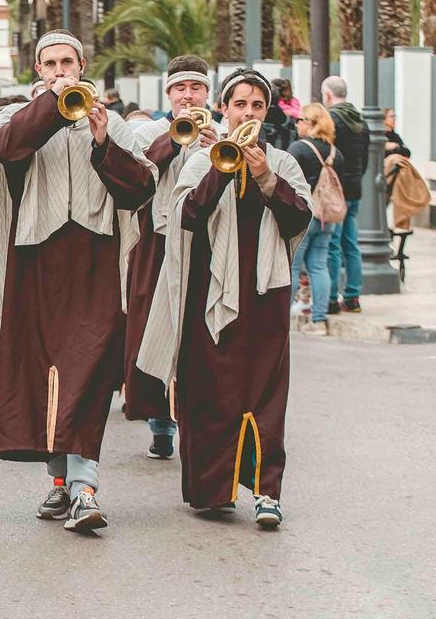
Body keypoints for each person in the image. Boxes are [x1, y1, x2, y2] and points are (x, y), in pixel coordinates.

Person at [0, 30, 155, 533]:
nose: (59, 71)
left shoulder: (110, 119)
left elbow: (141, 187)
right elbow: (5, 149)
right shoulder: (18, 115)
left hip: (95, 261)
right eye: (49, 64)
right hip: (37, 262)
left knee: (88, 373)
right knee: (42, 374)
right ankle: (59, 481)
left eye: (67, 63)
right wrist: (52, 104)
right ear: (38, 70)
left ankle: (85, 488)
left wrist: (103, 141)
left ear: (82, 64)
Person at [138, 69, 312, 528]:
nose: (247, 113)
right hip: (208, 291)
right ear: (224, 108)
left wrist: (266, 178)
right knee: (211, 390)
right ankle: (213, 491)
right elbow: (186, 215)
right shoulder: (202, 160)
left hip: (265, 292)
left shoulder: (283, 162)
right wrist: (221, 167)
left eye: (257, 106)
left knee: (266, 393)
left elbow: (299, 220)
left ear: (266, 112)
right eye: (240, 105)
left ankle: (267, 492)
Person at [126, 55, 220, 461]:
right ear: (168, 93)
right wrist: (175, 139)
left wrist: (215, 147)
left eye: (196, 88)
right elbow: (136, 177)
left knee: (199, 333)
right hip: (157, 241)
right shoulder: (148, 131)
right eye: (180, 88)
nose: (188, 96)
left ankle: (196, 421)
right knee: (153, 328)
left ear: (207, 93)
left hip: (204, 242)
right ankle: (160, 422)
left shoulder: (223, 131)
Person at [287, 103, 345, 335]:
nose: (297, 124)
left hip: (302, 215)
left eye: (300, 120)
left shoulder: (298, 149)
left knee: (291, 267)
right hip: (326, 216)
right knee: (319, 266)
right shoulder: (336, 153)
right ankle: (319, 320)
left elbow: (285, 181)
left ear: (310, 123)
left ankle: (281, 320)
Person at [321, 76, 368, 314]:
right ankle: (353, 296)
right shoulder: (361, 121)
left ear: (328, 95)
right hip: (355, 189)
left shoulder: (331, 119)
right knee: (351, 244)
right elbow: (365, 158)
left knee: (332, 244)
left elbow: (327, 155)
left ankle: (330, 298)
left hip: (336, 191)